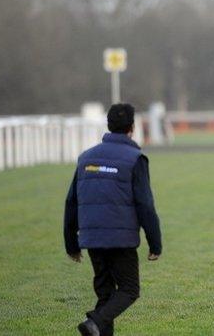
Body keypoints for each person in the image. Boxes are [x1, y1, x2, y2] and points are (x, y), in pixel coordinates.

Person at [64, 103, 162, 336]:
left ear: (108, 125)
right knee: (129, 290)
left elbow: (71, 202)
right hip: (121, 239)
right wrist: (155, 243)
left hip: (92, 238)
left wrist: (71, 244)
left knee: (106, 296)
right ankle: (94, 322)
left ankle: (95, 325)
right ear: (132, 127)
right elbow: (145, 204)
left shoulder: (86, 158)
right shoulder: (135, 158)